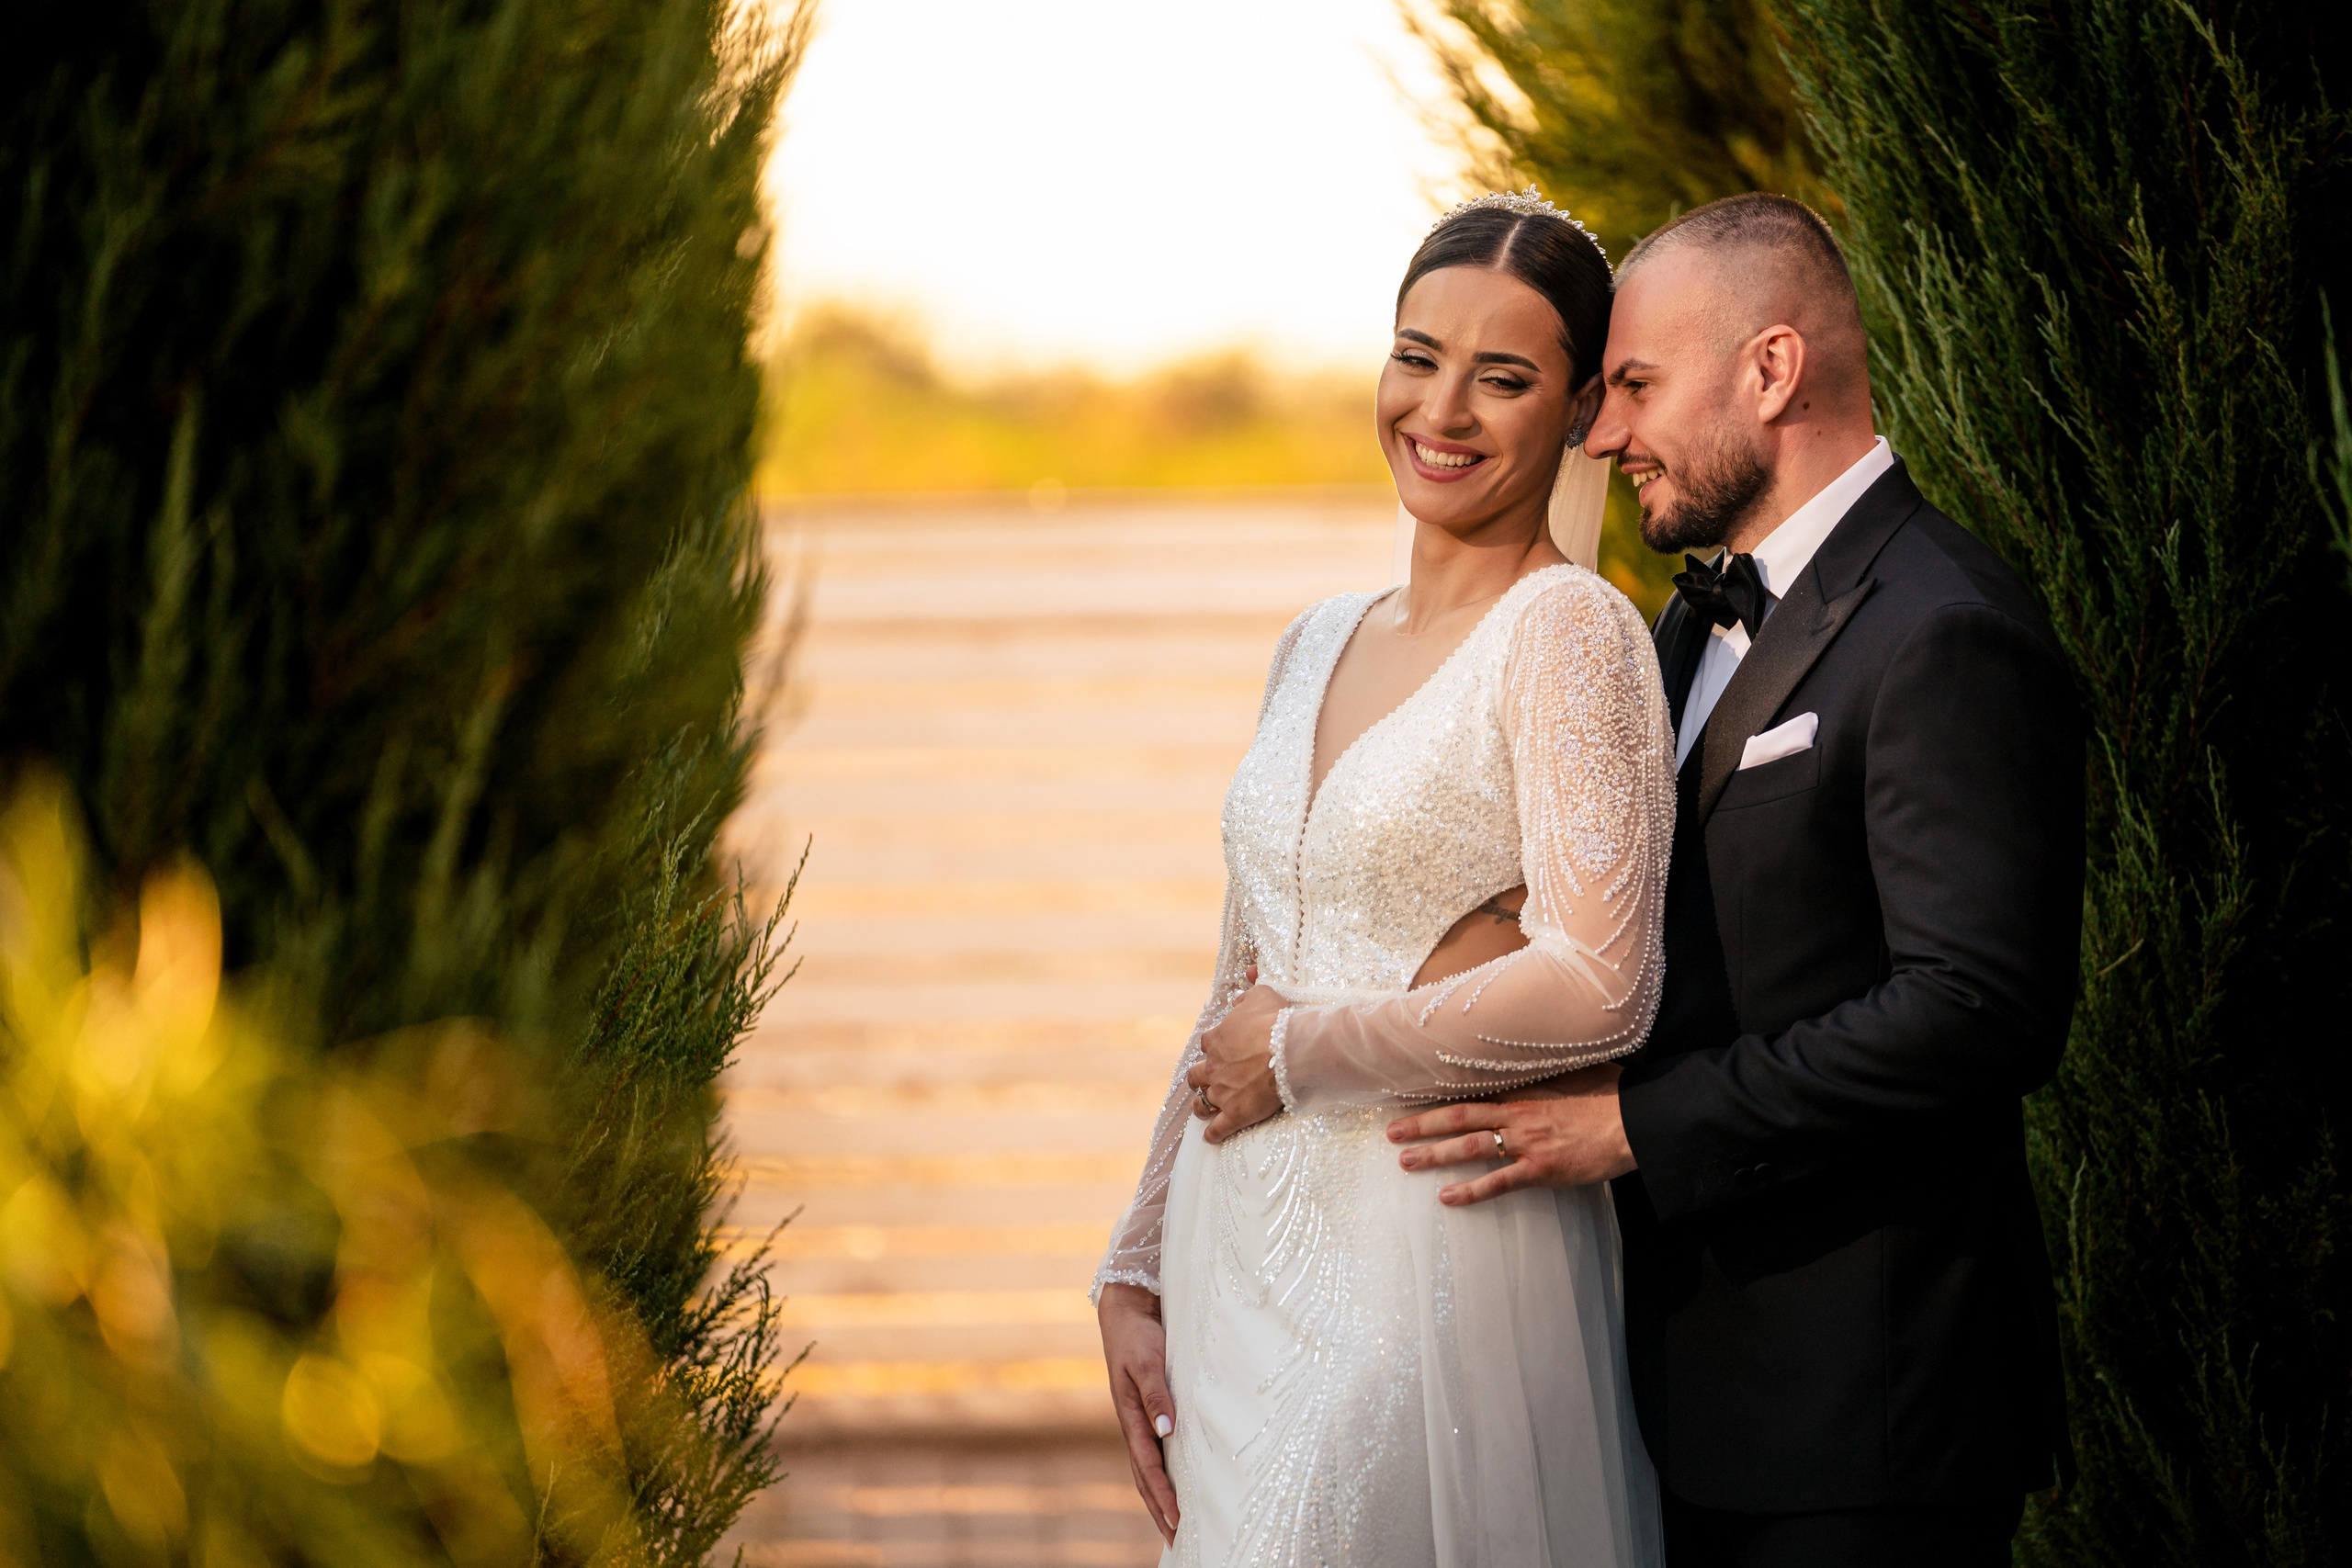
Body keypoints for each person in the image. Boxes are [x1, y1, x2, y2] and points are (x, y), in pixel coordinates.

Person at [1390, 193, 2083, 1567]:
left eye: (1637, 387)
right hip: (1683, 1391)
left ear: (1772, 371)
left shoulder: (1943, 627)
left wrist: (1638, 1128)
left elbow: (1977, 1010)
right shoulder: (1684, 622)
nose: (1603, 435)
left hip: (1866, 1419)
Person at [1092, 190, 1672, 1567]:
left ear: (1581, 411)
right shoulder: (1315, 639)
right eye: (1418, 357)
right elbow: (1238, 980)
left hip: (1422, 1254)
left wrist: (1303, 1053)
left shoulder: (1570, 633)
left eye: (1503, 377)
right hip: (1236, 1248)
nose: (1443, 410)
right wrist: (1137, 1259)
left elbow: (1606, 986)